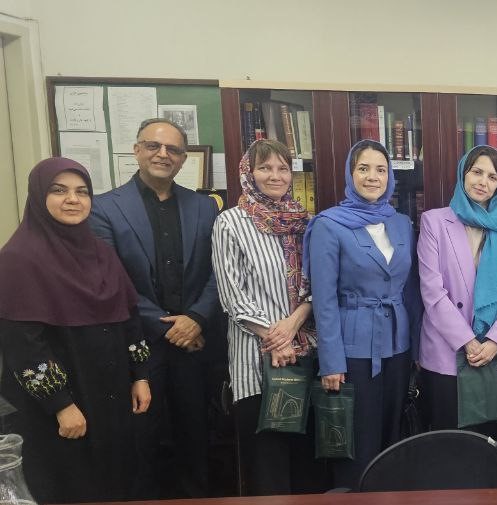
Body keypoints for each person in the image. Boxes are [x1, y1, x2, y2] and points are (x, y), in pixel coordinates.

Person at [0, 158, 153, 504]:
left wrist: (140, 375)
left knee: (116, 481)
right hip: (60, 405)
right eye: (59, 190)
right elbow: (23, 345)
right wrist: (60, 404)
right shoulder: (18, 258)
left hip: (111, 395)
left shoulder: (101, 252)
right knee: (71, 484)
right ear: (39, 196)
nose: (73, 199)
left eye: (82, 192)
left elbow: (129, 316)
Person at [88, 118, 221, 498]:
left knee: (196, 441)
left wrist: (197, 318)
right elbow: (113, 282)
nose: (163, 154)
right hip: (139, 350)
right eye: (153, 146)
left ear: (183, 158)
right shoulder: (104, 209)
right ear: (136, 150)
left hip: (196, 347)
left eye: (173, 149)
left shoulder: (205, 207)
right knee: (143, 443)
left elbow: (222, 272)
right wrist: (170, 327)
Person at [212, 139, 326, 495]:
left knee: (307, 468)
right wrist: (274, 339)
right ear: (249, 173)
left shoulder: (306, 223)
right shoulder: (230, 223)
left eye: (282, 168)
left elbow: (320, 284)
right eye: (265, 168)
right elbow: (232, 294)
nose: (275, 176)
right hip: (256, 362)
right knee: (267, 469)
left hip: (307, 357)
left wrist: (293, 325)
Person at [305, 140, 419, 488]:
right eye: (363, 168)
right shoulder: (328, 225)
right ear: (350, 174)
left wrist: (416, 349)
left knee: (393, 436)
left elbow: (411, 290)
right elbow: (324, 299)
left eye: (381, 170)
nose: (373, 177)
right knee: (358, 440)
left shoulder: (401, 223)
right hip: (353, 349)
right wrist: (331, 362)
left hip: (398, 346)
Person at [417, 145, 497, 442]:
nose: (483, 182)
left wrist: (496, 340)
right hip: (447, 350)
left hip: (495, 351)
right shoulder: (434, 221)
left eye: (492, 177)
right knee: (450, 443)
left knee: (491, 445)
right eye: (477, 172)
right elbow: (432, 292)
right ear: (463, 173)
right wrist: (468, 341)